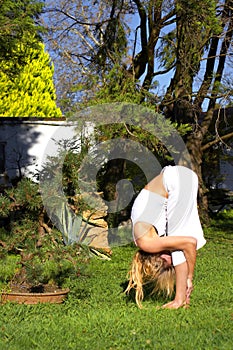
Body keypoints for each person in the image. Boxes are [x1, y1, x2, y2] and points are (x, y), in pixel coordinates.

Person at [125, 165, 206, 309]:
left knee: (181, 243)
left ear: (159, 259)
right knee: (182, 240)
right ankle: (180, 298)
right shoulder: (150, 235)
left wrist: (189, 277)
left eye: (170, 264)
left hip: (177, 180)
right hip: (181, 177)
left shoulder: (146, 243)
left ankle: (179, 300)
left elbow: (189, 244)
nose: (173, 263)